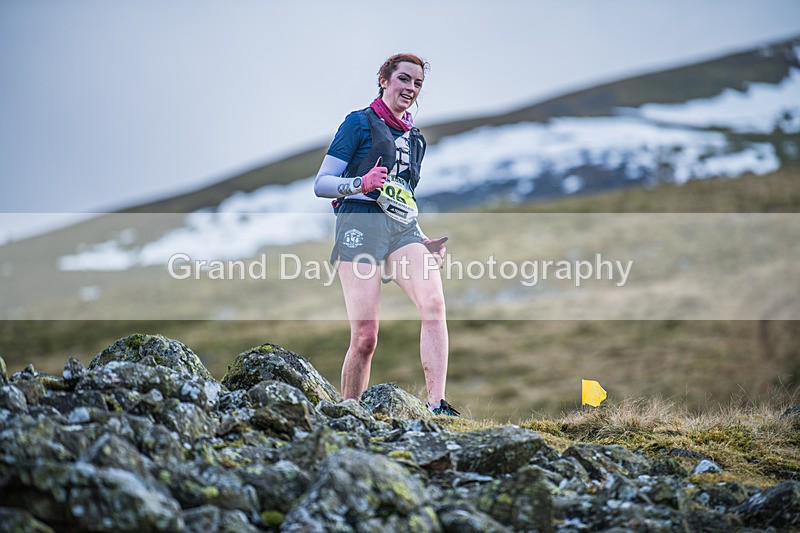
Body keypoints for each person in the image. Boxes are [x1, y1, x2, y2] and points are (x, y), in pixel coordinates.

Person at [313, 53, 460, 417]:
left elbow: (403, 198)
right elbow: (321, 184)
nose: (410, 88)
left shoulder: (415, 140)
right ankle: (350, 412)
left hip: (402, 231)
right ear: (384, 79)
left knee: (434, 305)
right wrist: (360, 183)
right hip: (359, 225)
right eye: (404, 79)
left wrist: (423, 239)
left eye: (417, 83)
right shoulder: (358, 123)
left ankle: (437, 405)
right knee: (365, 337)